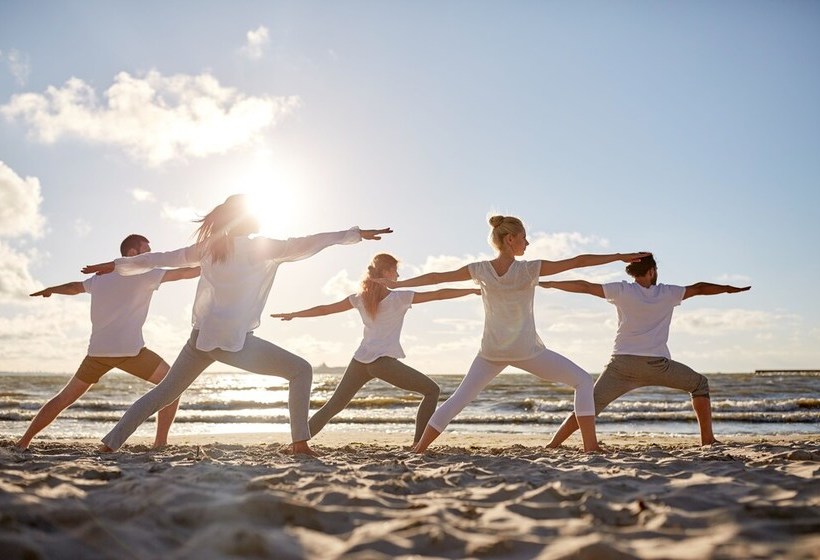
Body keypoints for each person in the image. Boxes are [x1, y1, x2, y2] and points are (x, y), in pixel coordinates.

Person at [82, 194, 391, 456]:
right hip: (231, 342)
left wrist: (116, 265)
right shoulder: (260, 247)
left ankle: (109, 445)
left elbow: (160, 258)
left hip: (200, 338)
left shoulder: (210, 247)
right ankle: (299, 444)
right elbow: (310, 242)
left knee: (163, 394)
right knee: (301, 370)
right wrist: (354, 235)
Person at [375, 215, 648, 453]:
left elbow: (436, 277)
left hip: (491, 351)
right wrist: (617, 256)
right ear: (510, 239)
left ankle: (420, 449)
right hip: (526, 350)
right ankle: (590, 447)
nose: (527, 243)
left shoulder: (480, 269)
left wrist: (399, 284)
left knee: (458, 399)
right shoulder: (528, 269)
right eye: (524, 238)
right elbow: (578, 261)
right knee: (583, 381)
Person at [540, 253, 751, 447]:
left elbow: (584, 286)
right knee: (700, 385)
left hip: (621, 366)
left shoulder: (622, 290)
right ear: (651, 271)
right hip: (657, 366)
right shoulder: (668, 293)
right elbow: (700, 288)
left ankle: (553, 444)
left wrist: (550, 283)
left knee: (589, 406)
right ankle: (708, 440)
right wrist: (728, 288)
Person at [272, 253, 480, 446]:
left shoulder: (359, 298)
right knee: (432, 391)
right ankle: (418, 446)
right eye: (395, 271)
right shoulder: (399, 298)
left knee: (332, 407)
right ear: (386, 272)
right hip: (382, 363)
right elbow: (439, 295)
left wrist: (294, 314)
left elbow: (325, 310)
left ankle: (296, 444)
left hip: (360, 361)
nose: (398, 275)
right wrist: (472, 290)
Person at [16, 234, 200, 450]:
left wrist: (51, 290)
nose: (151, 256)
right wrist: (216, 262)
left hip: (98, 354)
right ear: (132, 253)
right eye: (147, 251)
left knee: (64, 398)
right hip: (131, 353)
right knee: (172, 386)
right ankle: (160, 443)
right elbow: (186, 272)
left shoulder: (100, 278)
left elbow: (74, 287)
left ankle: (23, 442)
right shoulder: (147, 274)